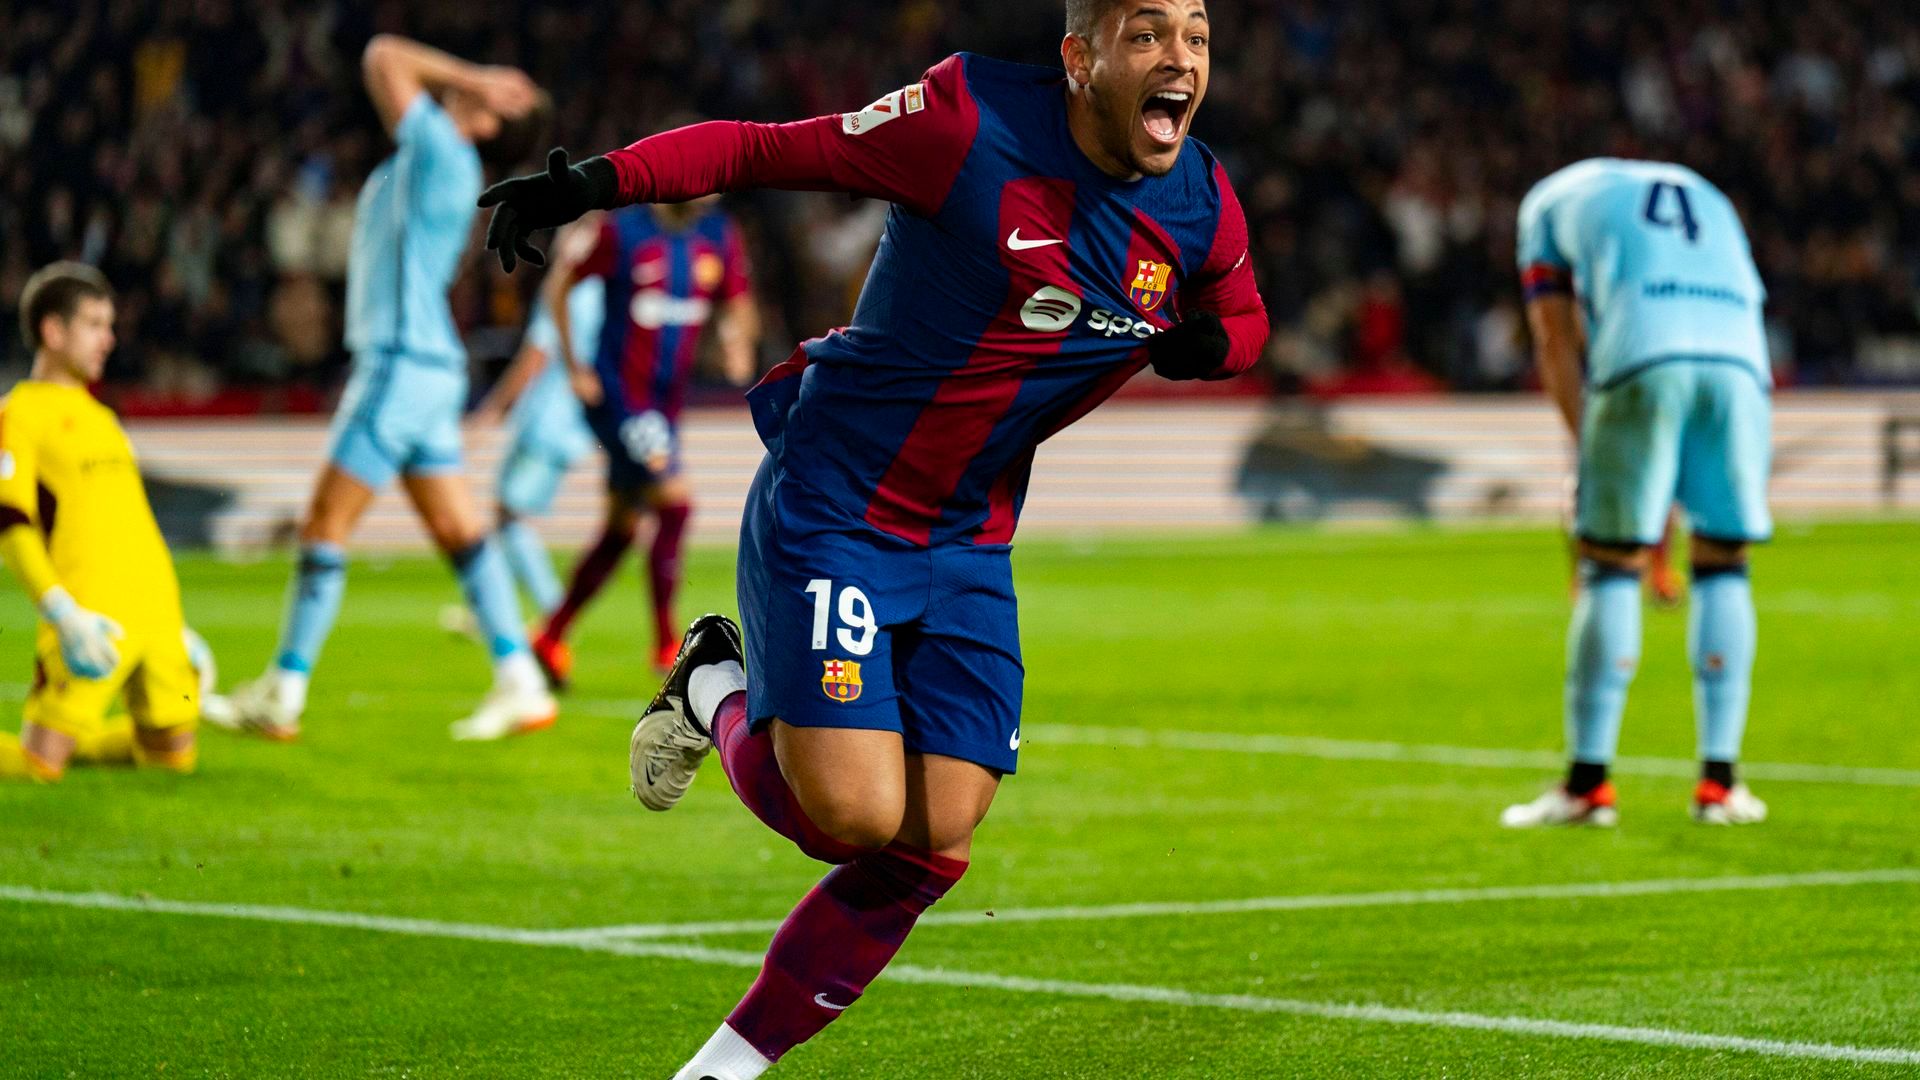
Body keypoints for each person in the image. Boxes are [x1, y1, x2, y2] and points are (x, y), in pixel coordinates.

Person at [478, 1, 1266, 1075]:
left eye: (1196, 37)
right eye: (1146, 34)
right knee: (851, 818)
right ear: (1080, 58)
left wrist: (1212, 350)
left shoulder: (1201, 201)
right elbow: (761, 150)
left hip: (970, 537)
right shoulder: (963, 123)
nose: (1178, 58)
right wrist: (593, 184)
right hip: (838, 502)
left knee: (938, 833)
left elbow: (1244, 314)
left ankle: (719, 1069)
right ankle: (716, 687)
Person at [220, 35, 558, 743]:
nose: (475, 82)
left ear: (493, 121)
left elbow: (380, 57)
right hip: (428, 366)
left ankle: (281, 692)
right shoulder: (435, 156)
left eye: (499, 94)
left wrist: (479, 72)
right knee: (460, 534)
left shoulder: (442, 151)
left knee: (324, 527)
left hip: (401, 363)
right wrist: (483, 79)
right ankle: (522, 680)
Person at [1504, 158, 1772, 829]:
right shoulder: (1705, 187)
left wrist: (1587, 453)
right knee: (1723, 559)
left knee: (1611, 566)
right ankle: (1721, 784)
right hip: (1744, 361)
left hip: (1644, 355)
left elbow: (1555, 339)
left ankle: (1587, 786)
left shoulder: (1545, 202)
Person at [529, 197, 759, 684]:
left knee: (621, 530)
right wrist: (575, 367)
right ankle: (664, 644)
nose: (712, 191)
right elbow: (561, 284)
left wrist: (738, 341)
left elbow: (738, 302)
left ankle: (550, 635)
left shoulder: (717, 237)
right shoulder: (623, 233)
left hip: (664, 407)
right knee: (676, 504)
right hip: (619, 397)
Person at [0, 263, 199, 782]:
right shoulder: (18, 414)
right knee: (40, 764)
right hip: (90, 615)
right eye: (94, 324)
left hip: (155, 610)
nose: (109, 340)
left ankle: (84, 743)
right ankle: (68, 741)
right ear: (53, 330)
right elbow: (9, 520)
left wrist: (175, 619)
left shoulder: (105, 418)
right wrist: (61, 611)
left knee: (172, 756)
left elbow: (129, 521)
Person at [450, 218, 607, 641]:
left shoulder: (567, 287)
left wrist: (493, 410)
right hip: (570, 420)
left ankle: (554, 616)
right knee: (506, 513)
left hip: (547, 419)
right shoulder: (604, 290)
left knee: (510, 516)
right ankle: (490, 609)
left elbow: (536, 356)